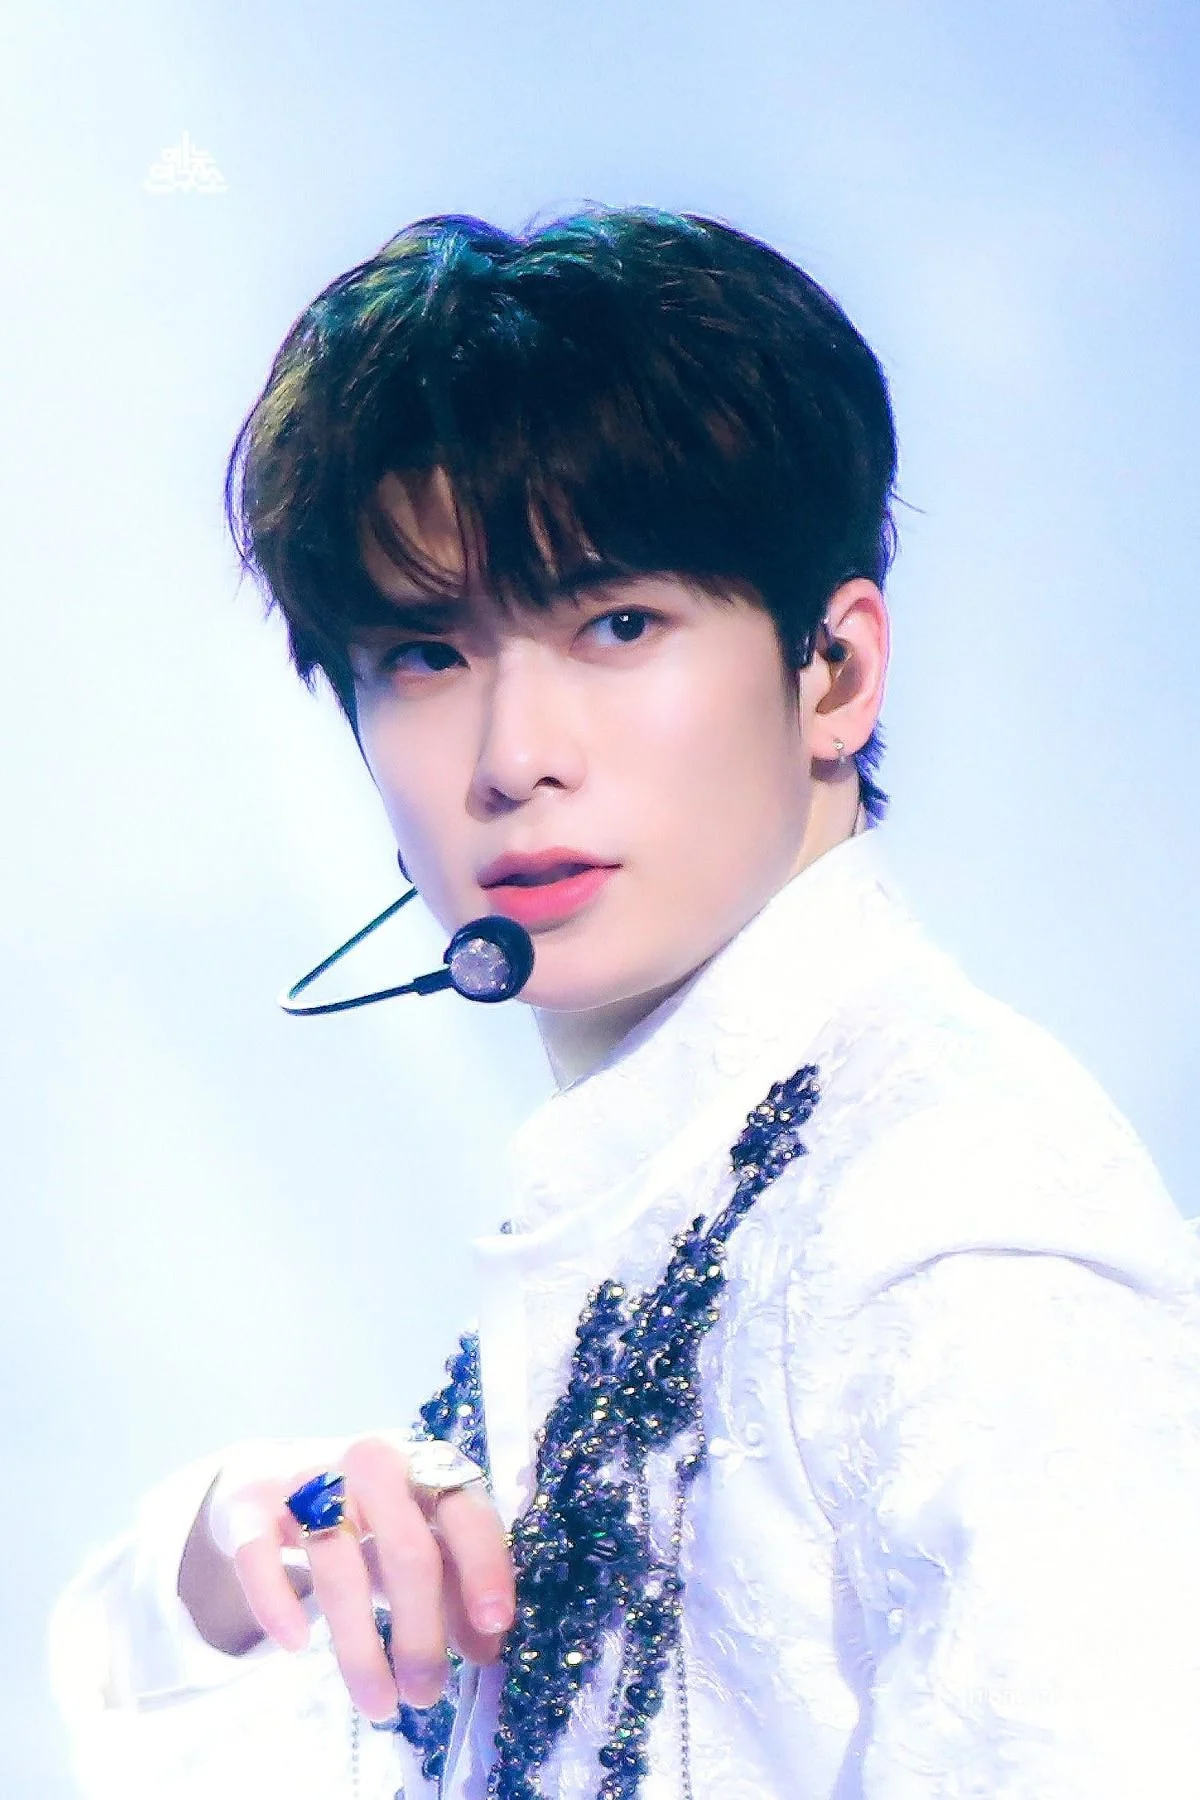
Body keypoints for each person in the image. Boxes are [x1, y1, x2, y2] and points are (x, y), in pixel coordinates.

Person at [49, 206, 1200, 1800]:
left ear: (835, 672)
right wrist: (230, 1549)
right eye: (425, 654)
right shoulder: (658, 1181)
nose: (515, 754)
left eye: (617, 624)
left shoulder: (948, 1221)